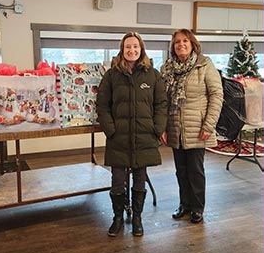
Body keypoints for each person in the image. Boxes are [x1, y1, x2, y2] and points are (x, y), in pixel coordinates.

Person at [96, 32, 167, 236]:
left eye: (136, 46)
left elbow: (161, 104)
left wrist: (157, 128)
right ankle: (117, 217)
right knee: (117, 180)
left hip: (145, 137)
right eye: (128, 46)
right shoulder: (111, 75)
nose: (132, 50)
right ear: (122, 49)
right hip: (118, 137)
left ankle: (137, 218)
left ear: (141, 49)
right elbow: (102, 105)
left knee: (139, 179)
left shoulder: (153, 75)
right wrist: (110, 130)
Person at [160, 29, 224, 224]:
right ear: (173, 46)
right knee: (181, 170)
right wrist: (162, 127)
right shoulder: (167, 68)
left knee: (195, 170)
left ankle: (197, 207)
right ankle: (184, 204)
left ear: (192, 43)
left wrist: (209, 124)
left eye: (185, 40)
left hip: (198, 127)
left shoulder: (204, 65)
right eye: (177, 41)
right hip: (174, 127)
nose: (181, 44)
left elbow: (217, 95)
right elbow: (162, 100)